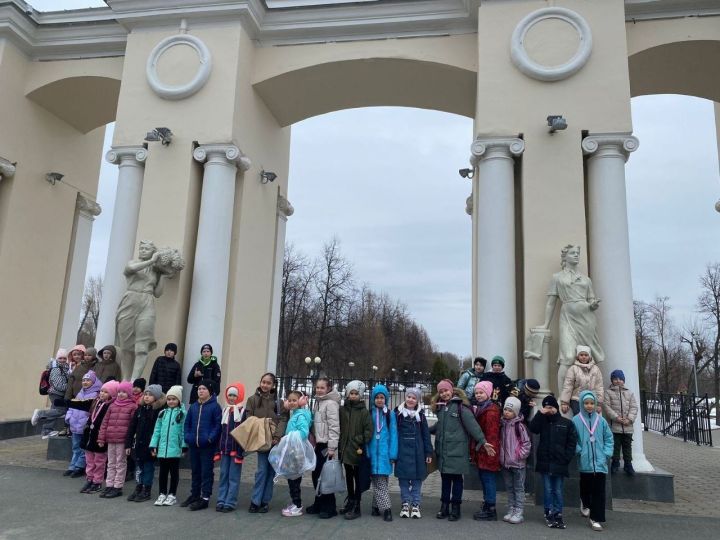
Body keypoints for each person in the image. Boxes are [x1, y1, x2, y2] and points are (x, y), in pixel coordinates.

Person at [541, 244, 605, 391]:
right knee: (568, 357)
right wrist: (546, 324)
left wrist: (594, 305)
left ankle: (587, 395)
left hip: (586, 319)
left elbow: (591, 300)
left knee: (587, 357)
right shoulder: (557, 278)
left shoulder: (586, 279)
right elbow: (551, 303)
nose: (576, 255)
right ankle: (562, 397)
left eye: (577, 253)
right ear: (565, 256)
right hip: (568, 318)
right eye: (572, 253)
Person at [431, 379, 491, 522]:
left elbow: (473, 426)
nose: (444, 393)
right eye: (441, 391)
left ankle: (456, 508)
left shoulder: (461, 408)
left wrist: (483, 441)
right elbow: (439, 426)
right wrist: (423, 430)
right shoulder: (441, 408)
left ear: (452, 390)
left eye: (446, 390)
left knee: (457, 480)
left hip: (458, 452)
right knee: (445, 480)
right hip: (444, 452)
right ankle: (444, 506)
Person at [115, 240, 165, 380]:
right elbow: (130, 270)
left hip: (147, 303)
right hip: (129, 302)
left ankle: (134, 382)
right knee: (126, 347)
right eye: (141, 248)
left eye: (146, 249)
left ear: (153, 251)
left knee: (142, 347)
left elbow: (158, 293)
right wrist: (151, 261)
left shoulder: (154, 271)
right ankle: (125, 379)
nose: (142, 250)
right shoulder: (133, 263)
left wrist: (163, 274)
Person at [530, 394, 578, 529]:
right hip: (545, 461)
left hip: (559, 463)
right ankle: (549, 512)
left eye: (550, 407)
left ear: (556, 408)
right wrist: (540, 413)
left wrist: (566, 458)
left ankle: (558, 513)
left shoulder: (566, 423)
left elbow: (572, 442)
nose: (548, 410)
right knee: (547, 489)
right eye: (546, 407)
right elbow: (533, 428)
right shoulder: (542, 421)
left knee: (557, 489)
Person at [66, 379, 118, 494]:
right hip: (90, 436)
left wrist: (103, 437)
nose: (102, 394)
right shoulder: (96, 402)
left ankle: (97, 482)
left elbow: (107, 424)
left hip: (100, 438)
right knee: (90, 461)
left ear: (112, 394)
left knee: (99, 462)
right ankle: (89, 479)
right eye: (102, 391)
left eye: (106, 392)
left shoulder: (110, 406)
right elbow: (89, 417)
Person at [573, 390, 614, 531]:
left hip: (600, 463)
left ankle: (595, 518)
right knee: (586, 489)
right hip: (585, 462)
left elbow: (609, 438)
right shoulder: (576, 420)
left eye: (591, 403)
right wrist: (579, 451)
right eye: (586, 403)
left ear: (595, 404)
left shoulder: (601, 421)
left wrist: (606, 453)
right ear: (581, 404)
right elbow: (572, 439)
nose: (589, 406)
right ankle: (584, 503)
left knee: (599, 492)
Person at [182, 379, 222, 511]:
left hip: (207, 446)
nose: (200, 391)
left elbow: (217, 425)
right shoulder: (194, 406)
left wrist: (210, 439)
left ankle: (205, 497)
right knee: (195, 471)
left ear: (210, 391)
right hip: (193, 445)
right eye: (199, 389)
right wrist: (187, 437)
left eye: (204, 389)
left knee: (206, 472)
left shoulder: (215, 407)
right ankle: (194, 494)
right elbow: (187, 424)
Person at [394, 387, 432, 519]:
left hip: (418, 453)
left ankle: (415, 504)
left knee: (417, 480)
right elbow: (394, 434)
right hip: (402, 452)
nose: (410, 399)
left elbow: (426, 435)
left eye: (414, 398)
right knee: (403, 480)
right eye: (409, 397)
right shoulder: (398, 414)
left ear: (417, 401)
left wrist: (428, 453)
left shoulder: (420, 416)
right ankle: (405, 503)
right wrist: (393, 454)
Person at [245, 372, 280, 514]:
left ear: (273, 385)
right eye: (263, 382)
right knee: (261, 471)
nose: (265, 385)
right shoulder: (252, 399)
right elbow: (249, 419)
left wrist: (277, 436)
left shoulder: (278, 402)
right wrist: (262, 426)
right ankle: (255, 501)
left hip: (274, 442)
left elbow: (283, 419)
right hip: (260, 441)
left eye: (268, 383)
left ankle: (265, 501)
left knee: (271, 473)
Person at [306, 377, 341, 519]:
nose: (319, 390)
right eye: (317, 387)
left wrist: (332, 447)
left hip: (327, 445)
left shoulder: (331, 404)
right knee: (316, 474)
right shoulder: (319, 402)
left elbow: (334, 426)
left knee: (324, 476)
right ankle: (319, 503)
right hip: (319, 444)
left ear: (328, 388)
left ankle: (329, 507)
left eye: (322, 387)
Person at [97, 381, 138, 498]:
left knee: (120, 463)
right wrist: (101, 438)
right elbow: (105, 422)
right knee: (110, 463)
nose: (121, 394)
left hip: (122, 440)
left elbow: (132, 426)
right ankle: (109, 485)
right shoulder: (112, 405)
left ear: (129, 393)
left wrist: (129, 442)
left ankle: (117, 486)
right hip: (111, 439)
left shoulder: (132, 406)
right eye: (119, 391)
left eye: (124, 392)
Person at [338, 380, 372, 520]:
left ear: (360, 395)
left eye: (355, 393)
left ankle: (357, 504)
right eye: (350, 393)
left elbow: (368, 431)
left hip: (357, 450)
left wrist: (357, 440)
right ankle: (350, 500)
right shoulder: (343, 410)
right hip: (345, 449)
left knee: (358, 478)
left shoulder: (364, 412)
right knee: (349, 477)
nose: (353, 396)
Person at [126, 384, 165, 503]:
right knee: (139, 468)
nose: (147, 397)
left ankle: (146, 489)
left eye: (150, 395)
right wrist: (128, 444)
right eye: (146, 395)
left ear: (157, 397)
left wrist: (155, 446)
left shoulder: (158, 411)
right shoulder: (140, 409)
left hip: (150, 445)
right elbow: (132, 427)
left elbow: (159, 430)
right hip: (138, 444)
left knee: (148, 468)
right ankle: (139, 487)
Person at [149, 385, 186, 506]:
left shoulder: (182, 413)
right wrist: (153, 444)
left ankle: (172, 494)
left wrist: (184, 446)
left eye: (174, 399)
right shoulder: (162, 413)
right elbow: (157, 430)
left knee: (174, 473)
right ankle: (162, 493)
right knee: (163, 473)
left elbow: (184, 431)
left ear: (179, 400)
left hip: (175, 449)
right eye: (169, 399)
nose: (171, 401)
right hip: (162, 450)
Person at [366, 384, 398, 522]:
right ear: (373, 399)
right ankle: (386, 509)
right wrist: (366, 452)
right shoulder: (369, 414)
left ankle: (376, 507)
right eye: (377, 397)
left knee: (382, 481)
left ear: (386, 399)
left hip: (384, 455)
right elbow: (366, 435)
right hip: (372, 454)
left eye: (382, 398)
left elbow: (394, 435)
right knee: (379, 482)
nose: (379, 400)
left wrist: (393, 454)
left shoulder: (390, 415)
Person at [279, 390, 313, 517]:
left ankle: (297, 505)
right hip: (292, 451)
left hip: (296, 452)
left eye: (294, 400)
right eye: (289, 400)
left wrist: (290, 437)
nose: (292, 403)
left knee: (294, 480)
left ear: (300, 401)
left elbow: (304, 432)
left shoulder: (301, 416)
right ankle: (295, 502)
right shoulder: (294, 414)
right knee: (291, 479)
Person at [63, 370, 102, 478]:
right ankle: (72, 466)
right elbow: (72, 406)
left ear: (93, 382)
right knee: (75, 447)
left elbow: (93, 411)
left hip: (85, 427)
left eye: (88, 380)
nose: (85, 382)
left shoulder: (95, 395)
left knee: (83, 448)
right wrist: (69, 417)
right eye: (84, 380)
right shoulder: (80, 393)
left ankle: (79, 467)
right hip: (75, 425)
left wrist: (87, 422)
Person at [471, 380, 501, 522]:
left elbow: (492, 433)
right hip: (483, 450)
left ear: (488, 394)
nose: (478, 395)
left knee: (488, 480)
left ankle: (491, 509)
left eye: (481, 392)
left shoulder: (491, 411)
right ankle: (487, 504)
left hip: (489, 451)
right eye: (476, 393)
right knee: (484, 479)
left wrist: (488, 449)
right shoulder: (483, 408)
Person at [499, 396, 531, 524]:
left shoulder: (520, 427)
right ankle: (511, 509)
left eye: (510, 410)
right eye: (505, 409)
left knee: (518, 488)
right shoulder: (502, 425)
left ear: (516, 412)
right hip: (506, 463)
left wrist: (520, 455)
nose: (506, 412)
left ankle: (519, 511)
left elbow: (526, 443)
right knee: (509, 487)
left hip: (518, 464)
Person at [215, 381, 245, 513]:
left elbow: (243, 432)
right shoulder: (225, 410)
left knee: (233, 477)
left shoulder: (243, 412)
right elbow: (221, 430)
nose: (232, 398)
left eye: (234, 395)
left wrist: (241, 451)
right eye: (230, 395)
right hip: (224, 449)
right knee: (223, 475)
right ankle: (221, 499)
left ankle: (230, 501)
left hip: (235, 449)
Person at [604, 369, 638, 476]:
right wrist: (616, 417)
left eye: (620, 379)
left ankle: (628, 464)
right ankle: (615, 462)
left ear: (623, 380)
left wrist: (630, 419)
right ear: (612, 380)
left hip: (627, 426)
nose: (618, 381)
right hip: (615, 425)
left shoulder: (629, 393)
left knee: (627, 445)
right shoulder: (608, 392)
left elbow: (634, 407)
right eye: (615, 379)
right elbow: (607, 406)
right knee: (616, 445)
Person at [32, 348, 70, 439]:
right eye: (60, 358)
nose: (62, 360)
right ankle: (40, 413)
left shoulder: (65, 367)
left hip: (59, 393)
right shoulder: (56, 369)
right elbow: (58, 385)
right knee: (61, 410)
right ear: (57, 358)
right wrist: (70, 387)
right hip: (56, 393)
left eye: (64, 358)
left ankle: (47, 431)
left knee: (53, 410)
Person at [561, 345, 604, 416]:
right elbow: (568, 386)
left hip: (591, 400)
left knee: (592, 420)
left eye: (586, 355)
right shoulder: (573, 369)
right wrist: (565, 402)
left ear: (589, 356)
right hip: (576, 399)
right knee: (579, 418)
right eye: (581, 355)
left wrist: (599, 404)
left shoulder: (596, 369)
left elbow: (599, 387)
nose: (584, 357)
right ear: (578, 356)